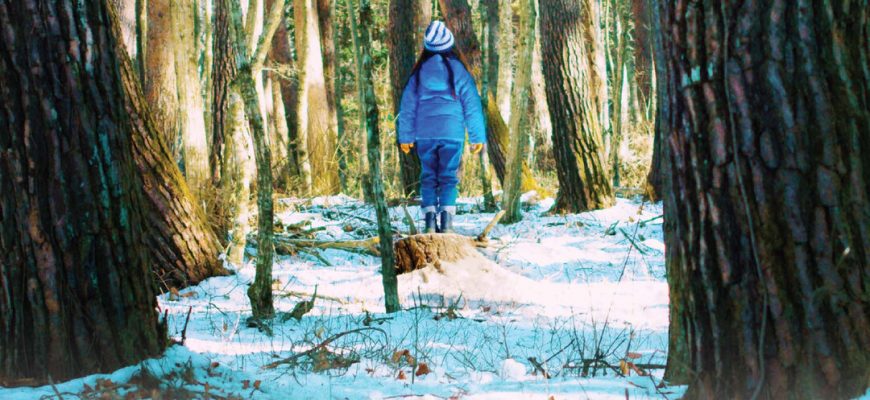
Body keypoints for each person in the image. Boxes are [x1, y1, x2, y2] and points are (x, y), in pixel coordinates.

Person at [397, 21, 486, 234]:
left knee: (428, 176)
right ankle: (446, 223)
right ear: (450, 44)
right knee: (448, 177)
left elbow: (407, 107)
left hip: (425, 134)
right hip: (452, 134)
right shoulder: (459, 71)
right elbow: (472, 105)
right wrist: (477, 137)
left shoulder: (418, 73)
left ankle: (429, 223)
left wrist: (405, 137)